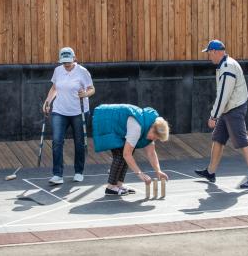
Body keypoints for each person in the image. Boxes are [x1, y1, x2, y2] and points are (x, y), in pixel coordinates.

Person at [195, 40, 248, 188]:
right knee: (218, 139)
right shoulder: (224, 65)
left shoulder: (227, 68)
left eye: (209, 53)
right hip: (229, 108)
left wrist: (214, 116)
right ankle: (211, 172)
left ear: (215, 52)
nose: (208, 57)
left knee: (243, 142)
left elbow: (223, 95)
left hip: (234, 109)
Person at [43, 47, 95, 185]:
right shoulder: (58, 70)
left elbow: (91, 89)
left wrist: (85, 94)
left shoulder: (82, 71)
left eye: (68, 61)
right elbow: (54, 88)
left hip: (79, 111)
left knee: (79, 142)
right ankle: (57, 174)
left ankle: (78, 172)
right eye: (63, 61)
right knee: (57, 141)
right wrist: (48, 101)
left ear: (74, 58)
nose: (66, 64)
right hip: (60, 110)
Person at [92, 104, 170, 195]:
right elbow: (126, 154)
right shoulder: (137, 127)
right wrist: (140, 174)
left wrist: (158, 171)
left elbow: (151, 153)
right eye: (156, 137)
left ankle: (119, 185)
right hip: (107, 120)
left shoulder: (149, 126)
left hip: (117, 123)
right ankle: (111, 187)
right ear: (152, 129)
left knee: (128, 152)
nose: (155, 139)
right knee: (121, 154)